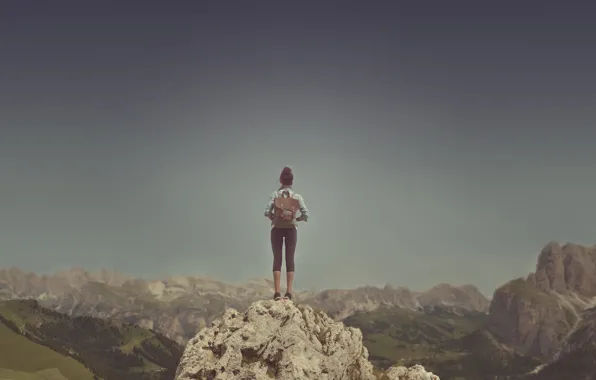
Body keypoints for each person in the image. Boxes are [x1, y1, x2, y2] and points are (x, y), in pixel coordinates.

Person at [264, 167, 309, 301]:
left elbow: (266, 212)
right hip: (291, 229)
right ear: (292, 181)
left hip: (277, 228)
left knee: (277, 259)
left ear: (281, 180)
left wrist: (273, 218)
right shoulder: (297, 197)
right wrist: (296, 220)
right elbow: (306, 214)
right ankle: (289, 293)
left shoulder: (275, 195)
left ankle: (277, 293)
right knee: (290, 259)